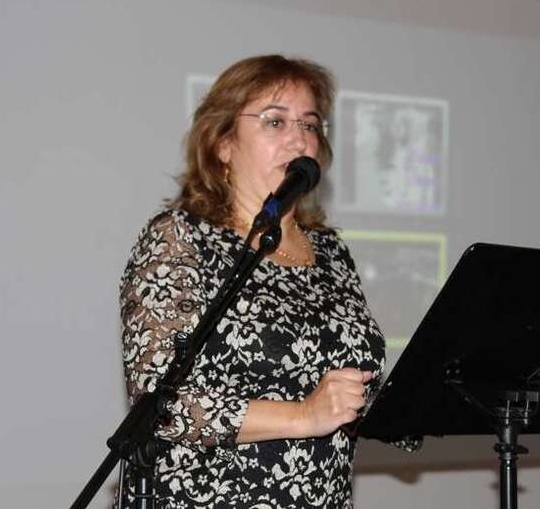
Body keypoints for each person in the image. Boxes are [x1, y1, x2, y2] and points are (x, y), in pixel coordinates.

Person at [116, 55, 419, 509]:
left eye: (310, 125)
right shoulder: (181, 238)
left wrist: (423, 397)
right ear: (222, 143)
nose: (299, 138)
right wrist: (304, 415)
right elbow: (160, 404)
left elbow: (354, 389)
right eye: (275, 122)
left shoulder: (331, 253)